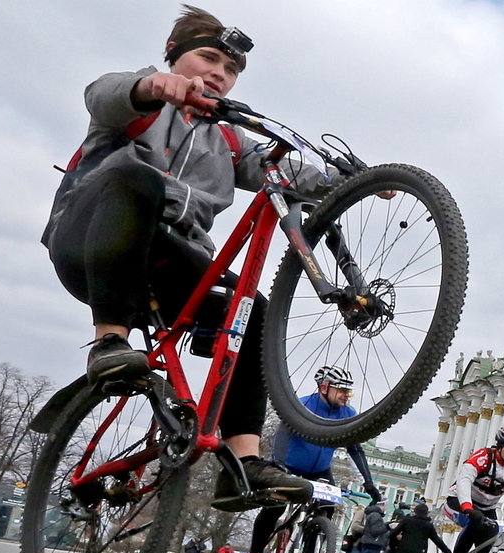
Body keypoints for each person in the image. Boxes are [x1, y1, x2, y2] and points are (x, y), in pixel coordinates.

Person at [42, 5, 338, 507]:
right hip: (90, 241)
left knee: (252, 309)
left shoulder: (226, 137)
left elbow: (283, 173)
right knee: (138, 176)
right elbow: (104, 94)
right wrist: (155, 88)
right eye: (208, 59)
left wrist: (355, 179)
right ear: (173, 56)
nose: (220, 74)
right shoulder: (137, 96)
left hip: (170, 262)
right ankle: (108, 342)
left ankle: (241, 463)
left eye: (232, 69)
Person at [240, 367, 382, 553]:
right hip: (289, 465)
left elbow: (355, 449)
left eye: (349, 392)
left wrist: (368, 483)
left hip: (319, 470)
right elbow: (282, 434)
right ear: (324, 388)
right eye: (341, 390)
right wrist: (278, 464)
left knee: (326, 508)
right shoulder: (303, 405)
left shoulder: (347, 414)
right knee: (274, 507)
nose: (346, 395)